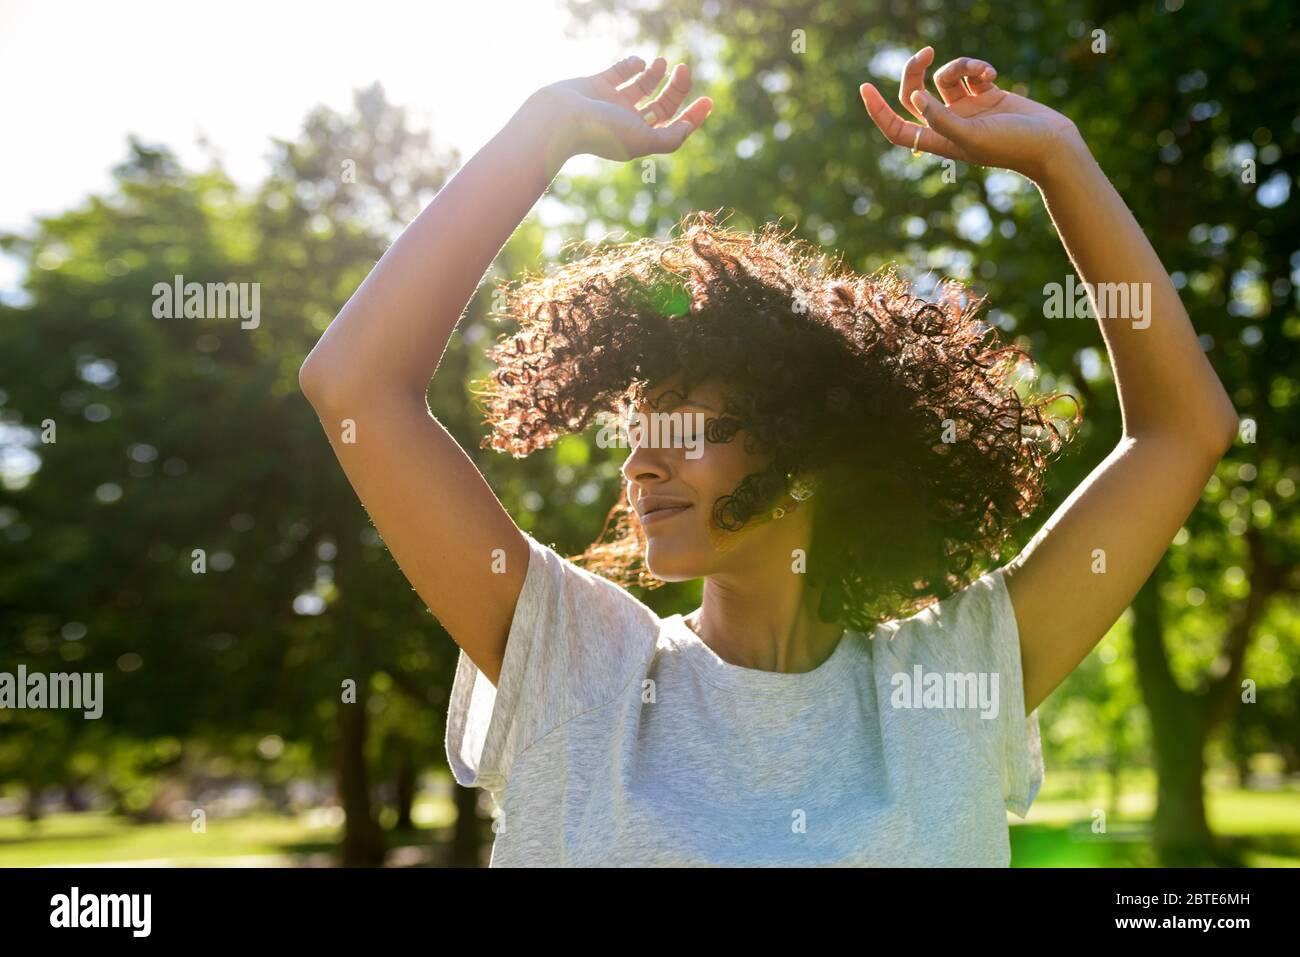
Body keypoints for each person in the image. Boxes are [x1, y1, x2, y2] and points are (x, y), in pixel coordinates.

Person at [298, 48, 1238, 866]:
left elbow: (1182, 431)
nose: (637, 467)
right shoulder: (576, 664)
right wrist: (539, 133)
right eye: (635, 434)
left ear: (815, 449)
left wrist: (1059, 161)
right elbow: (356, 388)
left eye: (683, 428)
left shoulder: (951, 680)